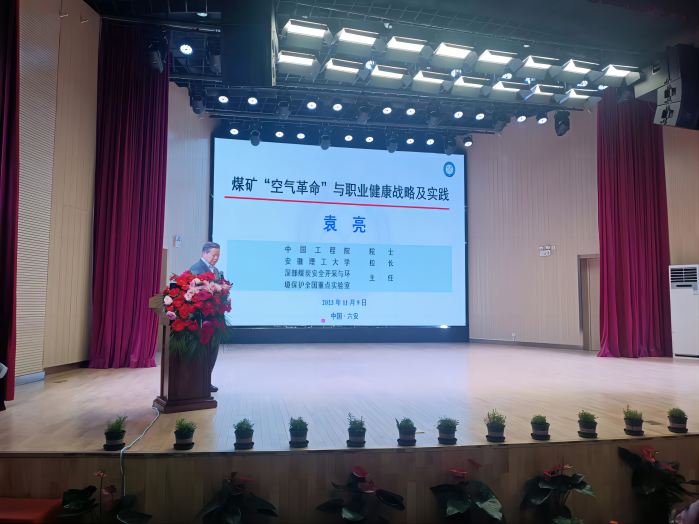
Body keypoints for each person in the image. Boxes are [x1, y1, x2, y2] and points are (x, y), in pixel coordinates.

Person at [190, 242, 222, 393]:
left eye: (218, 256)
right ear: (204, 253)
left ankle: (206, 381)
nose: (216, 258)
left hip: (214, 316)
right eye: (213, 255)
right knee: (202, 351)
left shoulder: (216, 270)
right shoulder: (196, 269)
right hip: (201, 318)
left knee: (212, 350)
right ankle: (198, 382)